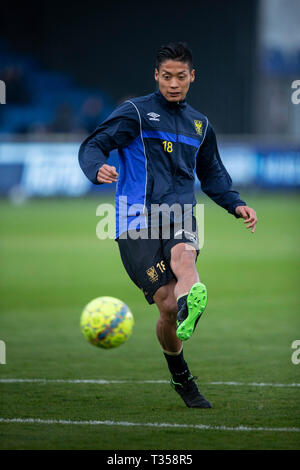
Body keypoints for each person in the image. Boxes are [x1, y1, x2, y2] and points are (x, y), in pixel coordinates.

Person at [78, 42, 257, 409]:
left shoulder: (200, 125)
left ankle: (193, 300)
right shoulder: (136, 114)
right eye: (166, 76)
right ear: (156, 76)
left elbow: (213, 175)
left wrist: (235, 204)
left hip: (179, 213)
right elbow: (95, 143)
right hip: (134, 221)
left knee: (185, 255)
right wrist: (96, 168)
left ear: (192, 77)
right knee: (166, 308)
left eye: (181, 77)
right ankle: (181, 374)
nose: (173, 84)